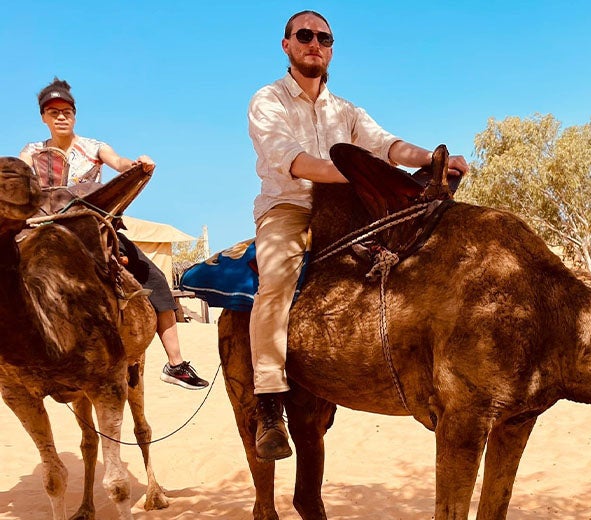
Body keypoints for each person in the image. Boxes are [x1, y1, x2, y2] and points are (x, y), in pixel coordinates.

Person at [247, 10, 469, 460]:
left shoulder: (345, 110)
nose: (315, 43)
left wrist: (433, 158)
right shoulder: (267, 101)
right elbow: (290, 159)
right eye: (304, 35)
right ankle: (268, 400)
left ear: (330, 49)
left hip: (349, 205)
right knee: (275, 280)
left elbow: (385, 144)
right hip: (290, 206)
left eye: (324, 37)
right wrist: (356, 175)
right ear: (286, 45)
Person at [20, 77, 209, 391]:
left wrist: (137, 164)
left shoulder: (94, 147)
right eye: (54, 112)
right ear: (43, 117)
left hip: (93, 228)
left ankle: (175, 364)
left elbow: (120, 163)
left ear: (75, 114)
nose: (61, 116)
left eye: (66, 110)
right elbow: (21, 178)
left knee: (157, 282)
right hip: (44, 230)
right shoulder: (32, 151)